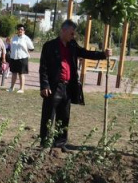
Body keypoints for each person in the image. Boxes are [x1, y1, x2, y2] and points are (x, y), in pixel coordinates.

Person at [38, 19, 111, 149]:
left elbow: (85, 53)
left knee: (64, 116)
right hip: (54, 87)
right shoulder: (49, 46)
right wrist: (45, 85)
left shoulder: (72, 45)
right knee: (49, 116)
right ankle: (45, 143)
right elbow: (43, 67)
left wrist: (103, 55)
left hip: (67, 87)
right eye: (72, 33)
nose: (74, 36)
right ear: (64, 30)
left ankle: (60, 143)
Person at [7, 24, 34, 93]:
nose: (20, 30)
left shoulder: (26, 38)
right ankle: (11, 87)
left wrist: (26, 52)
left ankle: (21, 89)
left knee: (21, 74)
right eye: (19, 29)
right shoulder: (14, 37)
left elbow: (31, 48)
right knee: (14, 73)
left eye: (22, 29)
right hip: (14, 58)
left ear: (24, 31)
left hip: (22, 58)